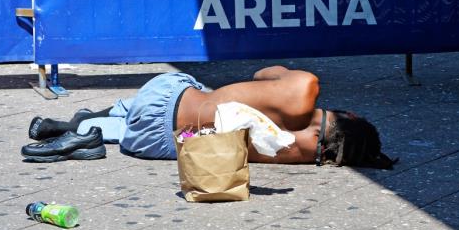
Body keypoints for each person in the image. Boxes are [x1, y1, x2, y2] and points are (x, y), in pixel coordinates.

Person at [22, 66, 397, 169]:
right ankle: (90, 132)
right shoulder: (304, 154)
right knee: (180, 131)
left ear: (349, 114)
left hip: (162, 101)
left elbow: (263, 74)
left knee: (186, 92)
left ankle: (83, 124)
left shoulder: (304, 89)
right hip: (156, 146)